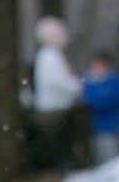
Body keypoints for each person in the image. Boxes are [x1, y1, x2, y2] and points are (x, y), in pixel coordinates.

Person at [26, 17, 91, 173]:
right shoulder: (50, 55)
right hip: (56, 110)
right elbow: (59, 81)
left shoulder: (46, 54)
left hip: (52, 108)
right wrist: (78, 87)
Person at [81, 53, 119, 165]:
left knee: (112, 158)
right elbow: (85, 99)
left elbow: (113, 99)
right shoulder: (89, 82)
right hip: (94, 128)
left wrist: (96, 102)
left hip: (110, 127)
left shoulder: (112, 80)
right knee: (99, 158)